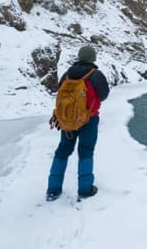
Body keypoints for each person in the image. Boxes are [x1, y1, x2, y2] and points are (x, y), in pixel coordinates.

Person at [46, 45, 109, 201]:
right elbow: (104, 95)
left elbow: (59, 91)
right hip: (89, 119)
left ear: (79, 57)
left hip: (67, 119)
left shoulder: (68, 74)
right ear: (93, 58)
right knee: (86, 151)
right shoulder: (96, 75)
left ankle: (53, 189)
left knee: (62, 151)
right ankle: (85, 189)